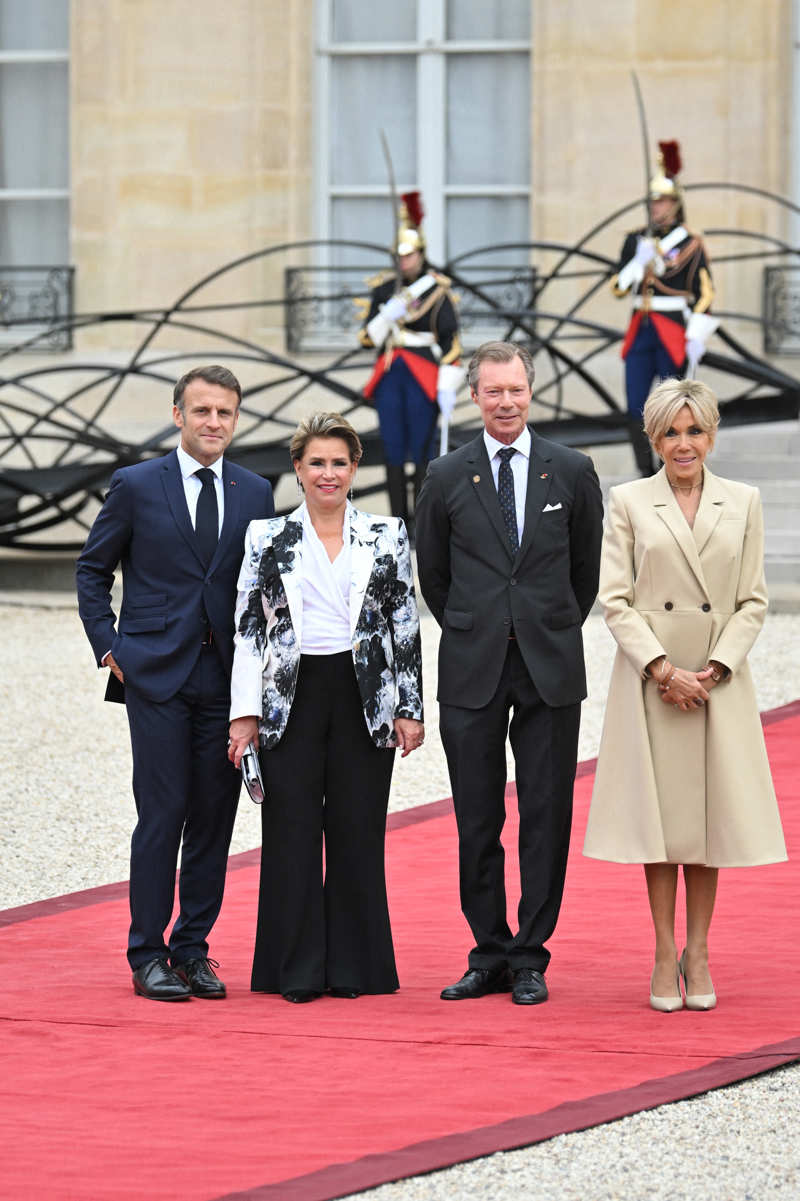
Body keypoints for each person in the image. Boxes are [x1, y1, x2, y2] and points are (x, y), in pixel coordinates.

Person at [583, 378, 786, 1011]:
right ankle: (664, 950)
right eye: (671, 432)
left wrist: (717, 668)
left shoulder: (744, 500)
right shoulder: (628, 501)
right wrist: (663, 669)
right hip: (654, 683)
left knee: (707, 823)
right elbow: (613, 599)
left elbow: (753, 599)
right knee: (661, 824)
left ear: (712, 434)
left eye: (694, 430)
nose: (683, 443)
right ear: (653, 437)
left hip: (717, 684)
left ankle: (698, 952)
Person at [76, 365, 274, 1001]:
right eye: (202, 412)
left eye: (225, 413)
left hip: (227, 681)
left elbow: (263, 589)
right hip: (155, 677)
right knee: (162, 814)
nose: (214, 422)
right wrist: (111, 647)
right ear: (178, 414)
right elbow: (91, 570)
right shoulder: (136, 485)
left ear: (235, 420)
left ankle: (193, 950)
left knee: (214, 820)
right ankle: (147, 953)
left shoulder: (255, 491)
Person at [415, 341, 603, 1006]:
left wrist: (543, 623)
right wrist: (478, 622)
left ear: (532, 392)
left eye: (515, 390)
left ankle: (530, 954)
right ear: (474, 397)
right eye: (492, 391)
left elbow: (586, 573)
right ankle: (488, 949)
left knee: (546, 813)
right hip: (472, 665)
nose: (505, 401)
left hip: (549, 665)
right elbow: (433, 575)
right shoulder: (443, 475)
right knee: (476, 816)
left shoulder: (572, 470)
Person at [227, 412, 424, 1003]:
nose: (328, 473)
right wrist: (244, 713)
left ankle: (356, 969)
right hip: (290, 696)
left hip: (365, 696)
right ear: (298, 469)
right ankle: (295, 971)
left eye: (340, 462)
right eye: (317, 462)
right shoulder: (267, 537)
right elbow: (248, 631)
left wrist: (410, 707)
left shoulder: (388, 534)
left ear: (355, 468)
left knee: (357, 831)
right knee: (289, 834)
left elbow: (405, 625)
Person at [612, 141, 716, 477]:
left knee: (674, 407)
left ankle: (671, 468)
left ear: (676, 204)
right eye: (653, 201)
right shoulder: (635, 240)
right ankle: (646, 471)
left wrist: (697, 332)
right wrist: (637, 263)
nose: (656, 207)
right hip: (639, 327)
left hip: (673, 327)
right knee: (635, 405)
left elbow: (704, 292)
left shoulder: (690, 244)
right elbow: (618, 287)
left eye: (663, 201)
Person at [358, 190, 463, 523]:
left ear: (420, 254)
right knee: (392, 449)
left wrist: (447, 384)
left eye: (409, 255)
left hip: (423, 372)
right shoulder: (384, 290)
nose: (404, 262)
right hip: (391, 372)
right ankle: (395, 521)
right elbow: (365, 339)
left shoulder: (437, 289)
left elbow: (451, 341)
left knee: (421, 451)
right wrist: (386, 315)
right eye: (400, 256)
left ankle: (421, 523)